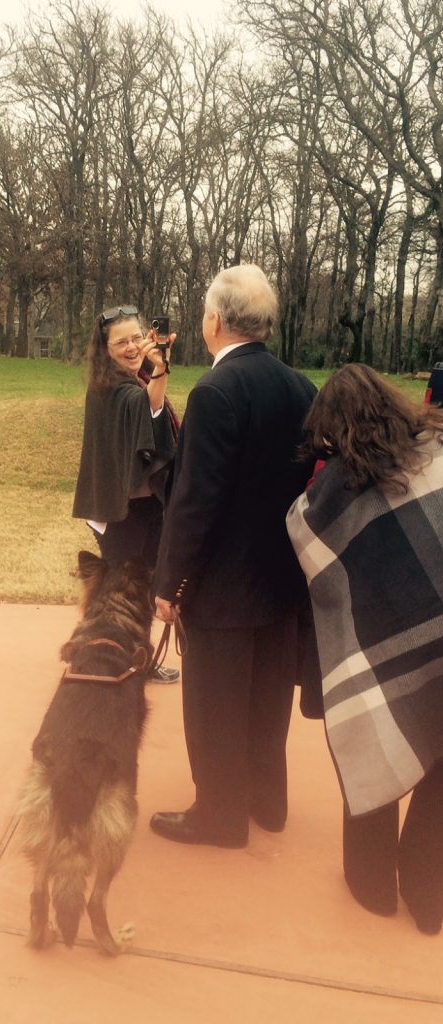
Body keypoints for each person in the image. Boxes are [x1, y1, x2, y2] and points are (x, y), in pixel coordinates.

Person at [150, 264, 317, 847]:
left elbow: (195, 501)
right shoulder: (301, 387)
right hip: (283, 577)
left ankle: (220, 816)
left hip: (223, 585)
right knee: (269, 698)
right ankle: (267, 802)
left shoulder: (216, 391)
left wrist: (169, 584)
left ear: (216, 321)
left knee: (215, 704)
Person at [287, 363, 443, 935]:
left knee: (369, 750)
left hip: (378, 652)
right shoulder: (437, 452)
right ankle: (428, 895)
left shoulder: (324, 500)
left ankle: (371, 885)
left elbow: (308, 553)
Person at [72, 304, 180, 683]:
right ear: (105, 349)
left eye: (136, 338)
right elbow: (144, 406)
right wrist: (161, 371)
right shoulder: (110, 390)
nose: (131, 347)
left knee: (143, 587)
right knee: (117, 591)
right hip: (121, 513)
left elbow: (147, 404)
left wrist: (155, 366)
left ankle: (138, 658)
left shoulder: (134, 379)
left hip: (147, 506)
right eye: (121, 342)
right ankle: (100, 660)